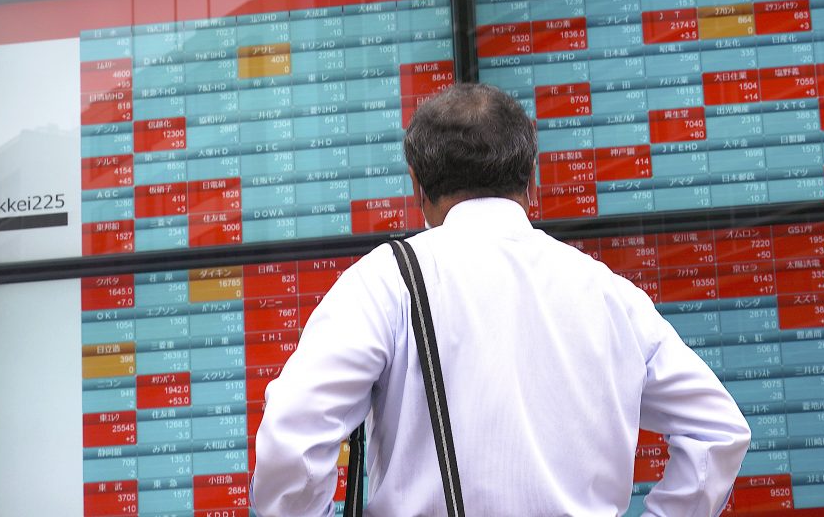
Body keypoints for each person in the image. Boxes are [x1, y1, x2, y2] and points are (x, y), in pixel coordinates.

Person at [252, 83, 751, 516]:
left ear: (417, 185)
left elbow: (293, 435)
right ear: (530, 178)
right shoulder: (610, 292)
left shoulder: (387, 281)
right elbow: (718, 431)